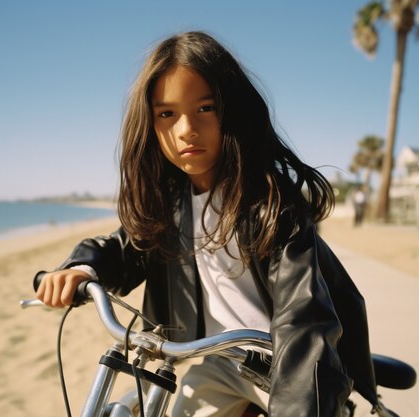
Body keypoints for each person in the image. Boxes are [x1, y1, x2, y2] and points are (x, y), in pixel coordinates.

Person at [36, 31, 383, 417]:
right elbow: (126, 248)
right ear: (150, 125)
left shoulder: (271, 204)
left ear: (232, 110)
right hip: (221, 364)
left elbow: (306, 321)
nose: (186, 128)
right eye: (167, 114)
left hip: (286, 368)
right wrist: (82, 268)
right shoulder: (170, 204)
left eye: (205, 108)